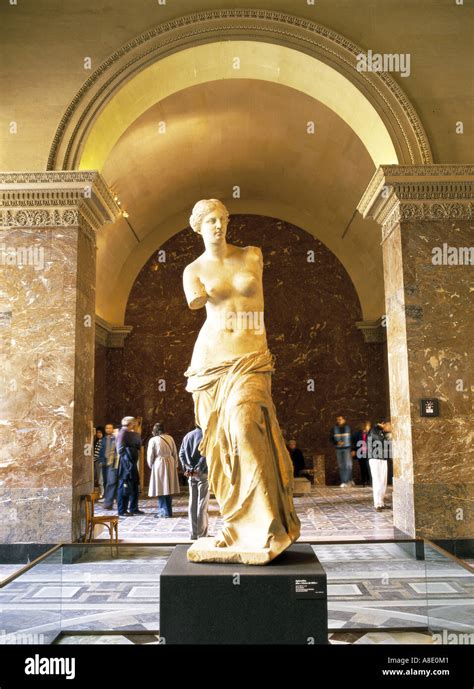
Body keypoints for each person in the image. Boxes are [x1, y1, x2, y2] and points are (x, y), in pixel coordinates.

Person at [183, 198, 300, 562]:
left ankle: (265, 524)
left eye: (222, 218)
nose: (218, 225)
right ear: (198, 226)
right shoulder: (193, 271)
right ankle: (238, 524)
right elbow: (196, 302)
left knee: (246, 427)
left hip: (250, 358)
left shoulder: (252, 255)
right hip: (212, 361)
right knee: (221, 444)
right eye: (210, 221)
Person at [179, 426, 209, 540]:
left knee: (192, 503)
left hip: (191, 474)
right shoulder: (206, 436)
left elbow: (181, 454)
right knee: (202, 503)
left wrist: (188, 468)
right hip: (202, 473)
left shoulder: (187, 436)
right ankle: (202, 534)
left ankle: (193, 533)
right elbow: (205, 454)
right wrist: (198, 468)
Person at [147, 422, 180, 518]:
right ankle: (169, 511)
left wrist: (151, 465)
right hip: (170, 463)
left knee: (160, 488)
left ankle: (163, 512)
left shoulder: (153, 440)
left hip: (159, 464)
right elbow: (175, 452)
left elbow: (150, 456)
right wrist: (175, 465)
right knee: (168, 488)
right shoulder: (170, 438)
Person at [117, 416, 144, 517]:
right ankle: (122, 510)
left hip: (131, 464)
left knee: (134, 486)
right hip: (126, 465)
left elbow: (138, 445)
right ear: (130, 424)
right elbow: (120, 450)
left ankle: (133, 508)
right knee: (124, 487)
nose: (136, 425)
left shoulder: (130, 434)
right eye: (135, 423)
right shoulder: (123, 433)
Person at [367, 421, 392, 511]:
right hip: (375, 459)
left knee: (383, 481)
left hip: (383, 459)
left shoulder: (382, 432)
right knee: (377, 481)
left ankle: (381, 503)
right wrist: (389, 437)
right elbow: (380, 441)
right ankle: (377, 504)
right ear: (383, 423)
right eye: (390, 425)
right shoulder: (374, 430)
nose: (391, 428)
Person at [330, 415, 353, 487]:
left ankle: (349, 480)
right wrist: (337, 443)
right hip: (338, 449)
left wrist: (353, 449)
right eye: (337, 419)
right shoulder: (334, 429)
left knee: (348, 465)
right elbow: (331, 439)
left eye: (340, 419)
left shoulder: (349, 428)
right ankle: (344, 481)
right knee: (341, 465)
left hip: (347, 448)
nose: (338, 421)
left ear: (344, 420)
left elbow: (352, 439)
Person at [100, 423, 119, 510]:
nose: (108, 430)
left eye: (110, 428)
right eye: (107, 428)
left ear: (113, 429)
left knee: (111, 482)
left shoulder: (115, 438)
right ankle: (109, 500)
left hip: (112, 463)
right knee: (106, 482)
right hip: (105, 463)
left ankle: (109, 502)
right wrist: (101, 460)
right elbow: (101, 451)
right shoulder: (103, 439)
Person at [352, 421, 372, 487]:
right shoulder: (357, 434)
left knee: (368, 467)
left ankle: (369, 480)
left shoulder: (371, 434)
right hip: (360, 453)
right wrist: (353, 450)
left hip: (369, 453)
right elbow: (354, 443)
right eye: (367, 426)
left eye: (369, 426)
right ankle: (364, 481)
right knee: (362, 467)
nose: (368, 427)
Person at [93, 427, 105, 496]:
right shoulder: (96, 441)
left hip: (99, 461)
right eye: (97, 432)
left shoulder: (104, 441)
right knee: (97, 478)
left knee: (100, 479)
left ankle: (102, 494)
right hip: (95, 461)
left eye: (100, 432)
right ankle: (99, 493)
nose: (98, 434)